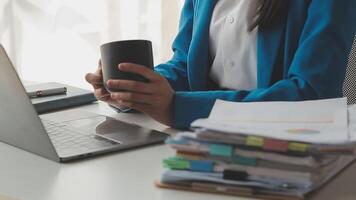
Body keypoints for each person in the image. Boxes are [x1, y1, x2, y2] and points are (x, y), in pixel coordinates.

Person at [86, 0, 356, 129]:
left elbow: (310, 95)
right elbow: (186, 64)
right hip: (204, 140)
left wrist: (176, 107)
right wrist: (135, 87)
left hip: (284, 147)